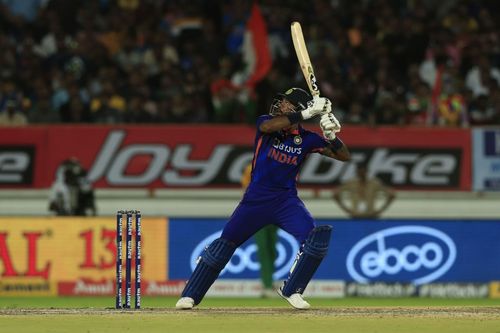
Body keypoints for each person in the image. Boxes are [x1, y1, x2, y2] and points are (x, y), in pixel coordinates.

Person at [176, 87, 350, 310]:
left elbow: (344, 156)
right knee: (224, 245)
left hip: (286, 201)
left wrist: (332, 137)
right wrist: (305, 114)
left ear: (298, 108)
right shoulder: (267, 123)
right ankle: (190, 295)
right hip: (255, 200)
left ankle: (292, 290)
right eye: (283, 102)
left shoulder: (307, 139)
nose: (281, 105)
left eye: (287, 103)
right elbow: (268, 126)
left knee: (315, 241)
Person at [240, 163, 278, 298]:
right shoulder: (251, 168)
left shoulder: (280, 165)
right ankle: (267, 285)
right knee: (263, 249)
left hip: (276, 210)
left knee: (273, 248)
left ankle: (270, 280)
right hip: (257, 211)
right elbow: (246, 188)